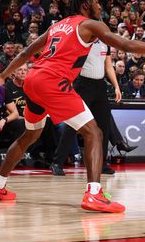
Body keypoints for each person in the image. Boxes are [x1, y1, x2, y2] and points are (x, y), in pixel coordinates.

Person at [0, 0, 145, 212]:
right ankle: (94, 194)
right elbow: (127, 46)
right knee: (94, 132)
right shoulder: (91, 25)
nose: (99, 6)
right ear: (84, 5)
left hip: (33, 79)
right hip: (53, 81)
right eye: (95, 1)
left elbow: (26, 53)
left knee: (30, 135)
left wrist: (3, 76)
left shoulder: (58, 25)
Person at [51, 38, 123, 176]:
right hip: (83, 85)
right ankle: (57, 162)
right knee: (73, 125)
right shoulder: (82, 41)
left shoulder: (105, 43)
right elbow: (71, 64)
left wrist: (116, 86)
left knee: (104, 126)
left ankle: (101, 164)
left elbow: (108, 66)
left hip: (100, 86)